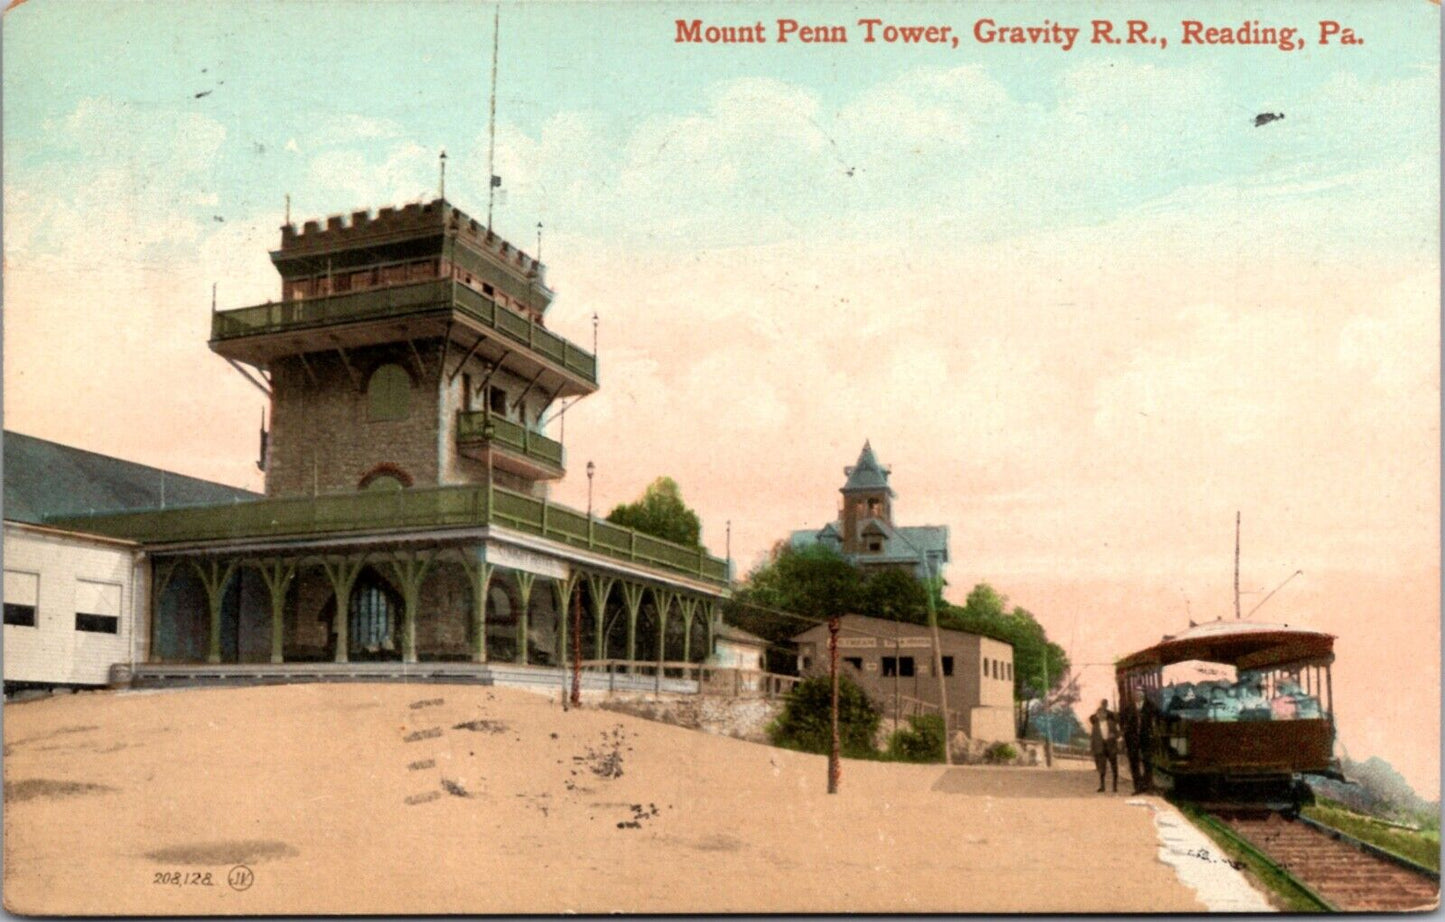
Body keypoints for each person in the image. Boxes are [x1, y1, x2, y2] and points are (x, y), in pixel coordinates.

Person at [1089, 699, 1121, 793]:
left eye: (1103, 714)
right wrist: (1093, 750)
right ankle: (1102, 786)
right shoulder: (1095, 726)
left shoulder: (1111, 723)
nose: (1101, 716)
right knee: (1102, 768)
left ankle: (1115, 787)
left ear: (1106, 715)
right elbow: (1093, 739)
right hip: (1101, 748)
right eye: (1099, 714)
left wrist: (1114, 736)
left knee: (1114, 767)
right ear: (1097, 716)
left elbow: (1118, 733)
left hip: (1110, 747)